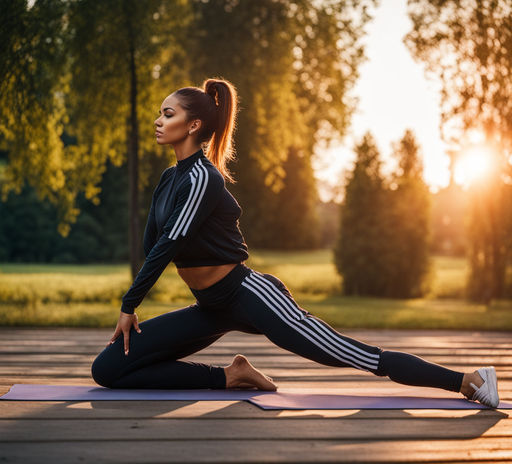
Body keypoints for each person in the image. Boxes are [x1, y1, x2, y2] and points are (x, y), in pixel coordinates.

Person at [91, 77, 499, 408]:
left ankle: (469, 380)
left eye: (168, 113)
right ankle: (231, 375)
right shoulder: (170, 178)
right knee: (108, 369)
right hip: (210, 307)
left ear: (194, 125)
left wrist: (130, 305)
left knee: (349, 353)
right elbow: (154, 244)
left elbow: (171, 244)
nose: (158, 121)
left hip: (249, 295)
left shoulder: (202, 176)